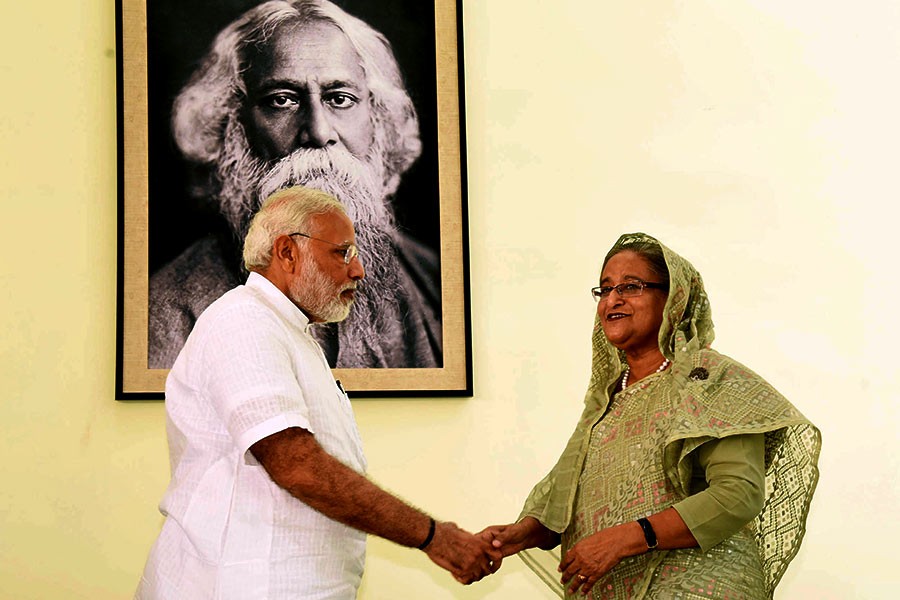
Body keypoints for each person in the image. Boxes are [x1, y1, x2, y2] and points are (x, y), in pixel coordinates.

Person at [136, 187, 497, 599]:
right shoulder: (245, 322)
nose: (358, 269)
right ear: (287, 252)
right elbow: (297, 466)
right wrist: (434, 537)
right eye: (342, 252)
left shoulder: (288, 330)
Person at [480, 233, 821, 599]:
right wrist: (518, 534)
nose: (613, 300)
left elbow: (738, 494)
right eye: (605, 289)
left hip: (702, 587)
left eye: (631, 286)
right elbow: (566, 499)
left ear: (673, 298)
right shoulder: (606, 398)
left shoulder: (710, 381)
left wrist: (627, 538)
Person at [148, 0, 442, 370]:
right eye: (282, 100)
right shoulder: (168, 317)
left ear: (378, 120)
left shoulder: (432, 278)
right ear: (231, 124)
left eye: (340, 99)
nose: (318, 132)